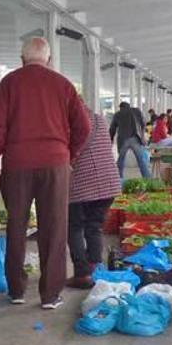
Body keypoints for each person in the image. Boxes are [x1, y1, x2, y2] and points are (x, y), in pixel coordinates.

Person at [0, 36, 90, 309]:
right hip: (55, 165)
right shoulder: (63, 85)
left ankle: (17, 290)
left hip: (17, 164)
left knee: (16, 227)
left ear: (22, 60)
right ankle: (50, 295)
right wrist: (70, 154)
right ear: (49, 60)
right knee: (54, 228)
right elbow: (84, 127)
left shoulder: (10, 82)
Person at [68, 113, 123, 289]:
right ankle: (95, 268)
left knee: (74, 227)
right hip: (109, 181)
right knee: (94, 225)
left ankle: (82, 274)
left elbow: (70, 152)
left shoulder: (70, 121)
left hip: (83, 182)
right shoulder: (99, 118)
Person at [110, 101, 151, 179]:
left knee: (121, 160)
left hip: (123, 139)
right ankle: (147, 177)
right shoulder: (136, 111)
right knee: (141, 159)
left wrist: (110, 140)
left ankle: (119, 179)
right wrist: (142, 136)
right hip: (135, 138)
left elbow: (112, 128)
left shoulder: (117, 114)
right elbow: (143, 123)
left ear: (121, 107)